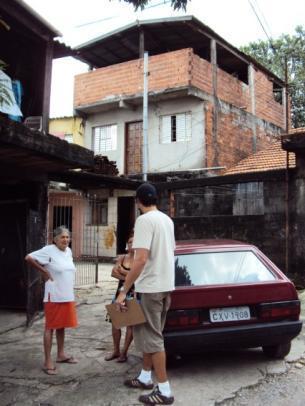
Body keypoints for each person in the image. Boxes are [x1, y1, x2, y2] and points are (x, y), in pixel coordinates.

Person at [116, 183, 175, 405]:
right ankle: (144, 377)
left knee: (153, 340)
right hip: (165, 286)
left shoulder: (144, 221)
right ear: (156, 200)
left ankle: (165, 391)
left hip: (150, 288)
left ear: (138, 201)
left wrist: (124, 291)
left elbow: (140, 259)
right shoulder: (166, 220)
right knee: (153, 336)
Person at [25, 226, 78, 375]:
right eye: (62, 237)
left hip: (67, 295)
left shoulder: (68, 251)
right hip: (53, 295)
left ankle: (61, 355)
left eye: (67, 237)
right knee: (50, 327)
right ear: (55, 239)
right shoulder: (48, 250)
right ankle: (47, 360)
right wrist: (44, 271)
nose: (66, 240)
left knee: (62, 326)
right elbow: (29, 257)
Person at [105, 233, 135, 363]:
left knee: (130, 325)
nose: (131, 244)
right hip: (119, 293)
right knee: (116, 323)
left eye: (134, 242)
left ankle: (124, 352)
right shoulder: (122, 258)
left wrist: (123, 273)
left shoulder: (140, 259)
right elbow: (113, 273)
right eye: (129, 242)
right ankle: (116, 350)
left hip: (134, 294)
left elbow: (140, 276)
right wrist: (128, 276)